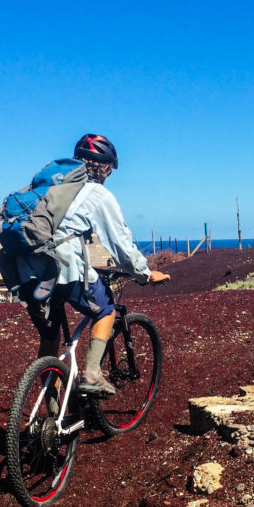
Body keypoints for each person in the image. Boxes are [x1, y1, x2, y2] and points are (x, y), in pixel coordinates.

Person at [15, 134, 169, 395]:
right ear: (105, 167)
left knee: (50, 337)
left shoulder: (49, 188)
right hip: (61, 269)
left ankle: (51, 415)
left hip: (25, 271)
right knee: (105, 308)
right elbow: (121, 247)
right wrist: (144, 274)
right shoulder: (97, 194)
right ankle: (92, 375)